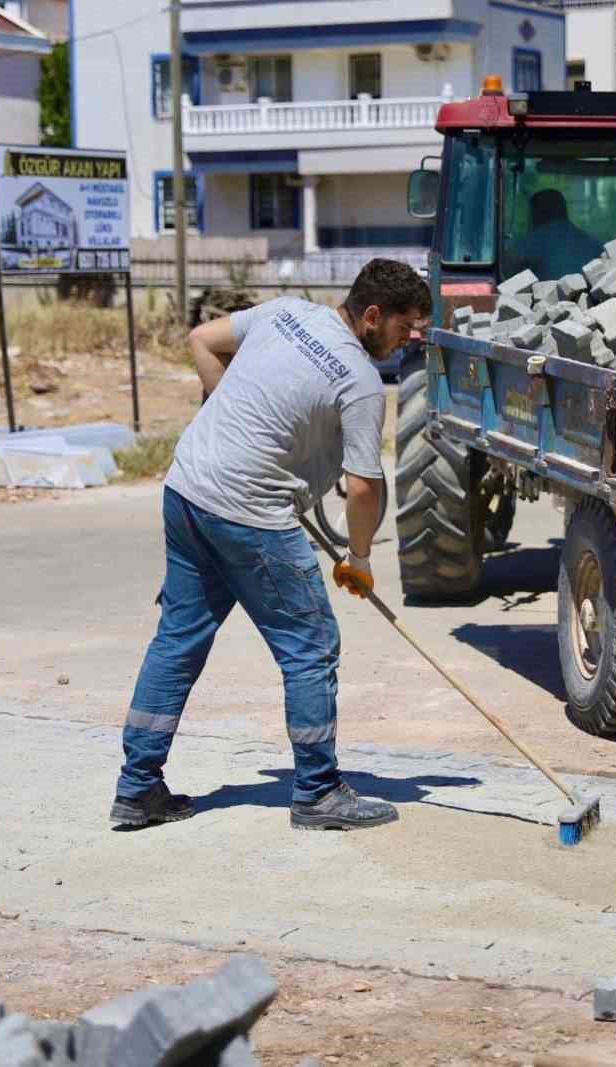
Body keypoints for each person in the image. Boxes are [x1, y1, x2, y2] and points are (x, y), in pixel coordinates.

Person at [111, 259, 431, 832]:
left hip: (187, 488)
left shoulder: (285, 312)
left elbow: (202, 340)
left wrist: (228, 414)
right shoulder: (359, 381)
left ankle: (138, 790)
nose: (410, 339)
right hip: (249, 514)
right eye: (405, 327)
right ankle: (317, 793)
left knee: (178, 641)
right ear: (373, 316)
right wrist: (359, 559)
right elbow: (363, 488)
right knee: (311, 647)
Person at [510, 189, 603, 281]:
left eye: (531, 213)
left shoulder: (535, 240)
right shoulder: (591, 242)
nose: (529, 219)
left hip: (547, 295)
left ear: (539, 213)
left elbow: (508, 266)